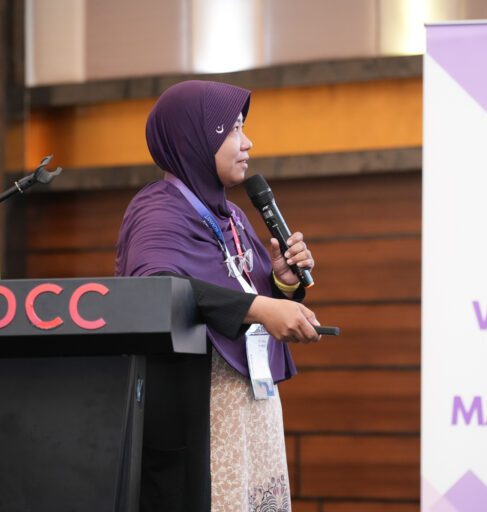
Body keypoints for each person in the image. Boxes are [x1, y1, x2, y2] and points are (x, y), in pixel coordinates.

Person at [115, 80, 321, 512]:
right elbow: (157, 290)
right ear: (194, 137)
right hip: (199, 415)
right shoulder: (159, 210)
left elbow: (242, 294)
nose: (247, 143)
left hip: (250, 409)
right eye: (233, 129)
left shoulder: (233, 216)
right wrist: (261, 307)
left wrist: (282, 283)